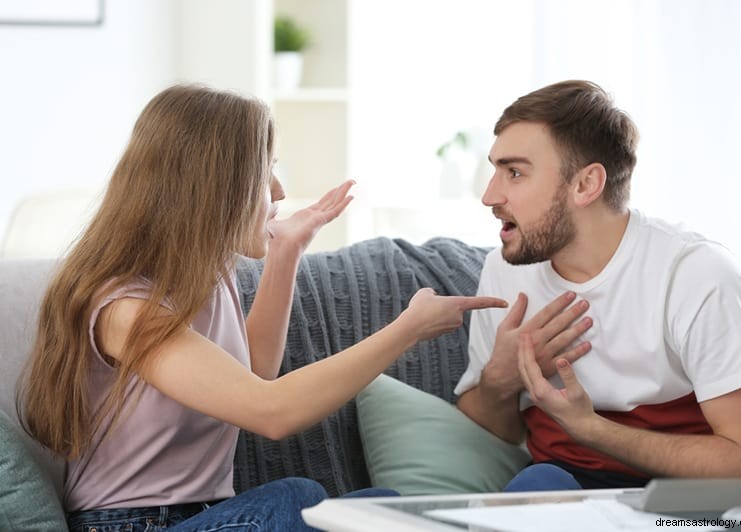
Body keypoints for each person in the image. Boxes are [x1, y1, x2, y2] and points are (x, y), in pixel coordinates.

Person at [16, 84, 508, 531]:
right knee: (299, 496)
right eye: (266, 170)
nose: (278, 192)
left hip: (213, 517)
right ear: (213, 187)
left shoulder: (210, 276)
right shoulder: (126, 308)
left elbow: (253, 374)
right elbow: (270, 412)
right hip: (133, 525)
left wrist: (286, 254)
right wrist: (406, 330)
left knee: (380, 506)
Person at [455, 80, 741, 491]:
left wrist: (591, 429)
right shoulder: (505, 271)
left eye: (515, 172)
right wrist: (501, 379)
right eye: (495, 170)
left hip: (681, 507)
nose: (489, 195)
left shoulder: (698, 277)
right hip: (557, 493)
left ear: (586, 185)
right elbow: (492, 430)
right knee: (535, 488)